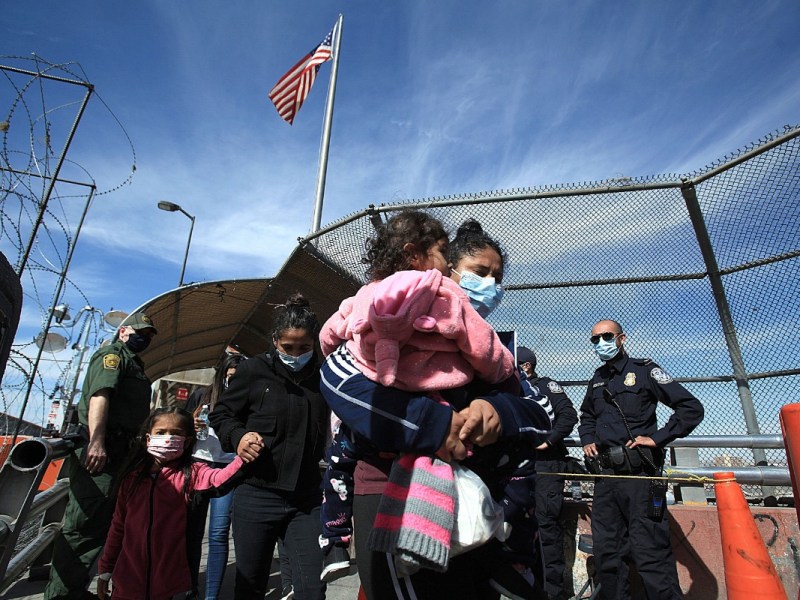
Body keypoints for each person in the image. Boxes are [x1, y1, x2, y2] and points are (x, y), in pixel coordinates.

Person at [321, 217, 553, 600]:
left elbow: (540, 412)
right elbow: (337, 379)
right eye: (478, 273)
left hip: (478, 502)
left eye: (497, 278)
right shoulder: (373, 328)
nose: (490, 287)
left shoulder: (493, 350)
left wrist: (497, 410)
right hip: (391, 493)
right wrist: (437, 426)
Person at [209, 294, 329, 600]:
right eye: (288, 348)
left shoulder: (325, 374)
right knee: (250, 585)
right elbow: (222, 414)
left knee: (311, 588)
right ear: (274, 341)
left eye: (305, 348)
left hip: (306, 499)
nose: (296, 354)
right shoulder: (253, 370)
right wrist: (238, 436)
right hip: (257, 493)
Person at [578, 319, 704, 600]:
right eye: (595, 339)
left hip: (641, 479)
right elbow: (586, 416)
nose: (601, 343)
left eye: (606, 336)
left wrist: (658, 438)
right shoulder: (597, 379)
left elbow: (690, 407)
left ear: (622, 338)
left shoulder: (645, 370)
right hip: (606, 480)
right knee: (608, 555)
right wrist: (587, 438)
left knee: (650, 554)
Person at [44, 312, 158, 600]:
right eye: (139, 331)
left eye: (148, 334)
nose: (143, 338)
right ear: (123, 332)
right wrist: (96, 442)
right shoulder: (112, 356)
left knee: (100, 524)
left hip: (121, 451)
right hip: (104, 449)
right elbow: (100, 395)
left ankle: (74, 589)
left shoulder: (134, 362)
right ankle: (62, 594)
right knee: (84, 524)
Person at [95, 407, 244, 599]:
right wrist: (105, 570)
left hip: (170, 586)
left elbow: (219, 478)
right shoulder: (131, 479)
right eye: (160, 432)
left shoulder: (194, 473)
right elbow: (117, 527)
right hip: (126, 583)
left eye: (176, 434)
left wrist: (244, 456)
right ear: (148, 439)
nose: (167, 438)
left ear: (188, 441)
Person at [517, 346, 578, 600]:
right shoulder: (509, 389)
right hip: (521, 467)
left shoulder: (546, 386)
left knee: (546, 525)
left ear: (526, 366)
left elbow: (568, 415)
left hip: (547, 464)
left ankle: (553, 592)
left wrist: (549, 441)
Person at [185, 352, 246, 600]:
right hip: (198, 465)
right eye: (230, 377)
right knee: (192, 532)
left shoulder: (247, 400)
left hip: (227, 469)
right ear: (221, 375)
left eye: (239, 378)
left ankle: (211, 595)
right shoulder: (202, 396)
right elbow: (179, 426)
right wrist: (190, 424)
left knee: (219, 533)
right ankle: (190, 587)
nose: (233, 382)